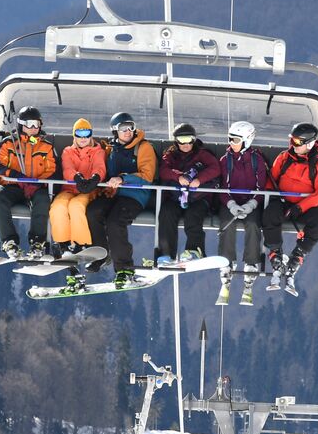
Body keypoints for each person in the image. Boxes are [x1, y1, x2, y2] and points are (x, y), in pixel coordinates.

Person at [86, 112, 157, 287]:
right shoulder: (110, 149)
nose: (128, 131)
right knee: (93, 211)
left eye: (131, 127)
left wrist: (123, 179)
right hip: (113, 194)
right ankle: (101, 254)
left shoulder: (143, 147)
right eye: (123, 128)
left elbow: (148, 175)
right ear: (114, 131)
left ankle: (125, 268)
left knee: (115, 222)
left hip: (134, 195)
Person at [263, 122, 318, 296]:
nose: (293, 146)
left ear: (309, 144)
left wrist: (300, 208)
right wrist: (273, 195)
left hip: (305, 205)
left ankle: (297, 256)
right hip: (284, 201)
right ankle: (275, 253)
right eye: (291, 141)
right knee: (270, 214)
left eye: (297, 142)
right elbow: (271, 180)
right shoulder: (284, 158)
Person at [0, 107, 57, 261]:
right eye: (29, 124)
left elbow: (52, 169)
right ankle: (9, 241)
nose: (33, 128)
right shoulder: (9, 143)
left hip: (35, 188)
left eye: (36, 124)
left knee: (42, 199)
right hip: (11, 186)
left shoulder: (46, 147)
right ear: (21, 124)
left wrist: (38, 183)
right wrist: (14, 176)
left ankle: (37, 242)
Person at [215, 121, 271, 306]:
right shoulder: (225, 160)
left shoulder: (257, 160)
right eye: (230, 139)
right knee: (226, 224)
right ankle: (227, 262)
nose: (232, 143)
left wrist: (252, 204)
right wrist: (230, 204)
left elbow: (261, 186)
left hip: (250, 204)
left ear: (247, 140)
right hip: (231, 202)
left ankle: (251, 264)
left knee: (254, 225)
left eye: (236, 139)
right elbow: (223, 186)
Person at [50, 119, 107, 286]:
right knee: (58, 207)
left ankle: (80, 243)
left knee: (76, 207)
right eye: (79, 134)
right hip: (70, 188)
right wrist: (76, 177)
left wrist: (95, 178)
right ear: (74, 135)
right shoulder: (68, 151)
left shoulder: (97, 151)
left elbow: (100, 167)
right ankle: (63, 244)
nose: (83, 138)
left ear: (91, 135)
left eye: (86, 134)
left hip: (88, 190)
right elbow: (67, 168)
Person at [155, 122, 221, 265]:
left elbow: (215, 168)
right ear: (176, 141)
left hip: (199, 198)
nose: (186, 144)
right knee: (166, 213)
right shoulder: (171, 155)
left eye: (189, 139)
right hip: (176, 197)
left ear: (194, 140)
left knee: (193, 216)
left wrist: (199, 179)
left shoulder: (202, 154)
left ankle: (194, 251)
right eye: (181, 140)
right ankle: (166, 253)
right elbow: (163, 170)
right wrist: (177, 177)